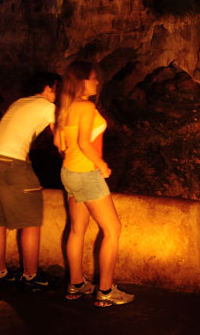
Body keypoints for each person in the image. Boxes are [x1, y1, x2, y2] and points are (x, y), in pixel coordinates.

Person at [54, 61, 133, 307]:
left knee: (77, 229)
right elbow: (84, 142)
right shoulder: (86, 106)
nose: (97, 82)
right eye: (92, 78)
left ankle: (76, 284)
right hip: (86, 174)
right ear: (81, 81)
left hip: (69, 172)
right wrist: (102, 165)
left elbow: (59, 143)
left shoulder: (65, 108)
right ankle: (106, 291)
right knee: (113, 229)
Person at [0, 72, 61, 293]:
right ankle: (30, 276)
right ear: (48, 88)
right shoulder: (48, 106)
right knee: (31, 219)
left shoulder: (19, 103)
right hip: (12, 162)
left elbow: (14, 136)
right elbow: (59, 139)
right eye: (57, 89)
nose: (57, 94)